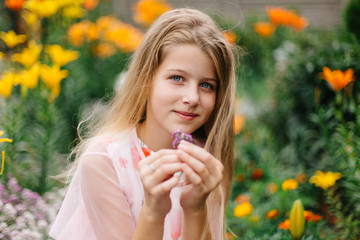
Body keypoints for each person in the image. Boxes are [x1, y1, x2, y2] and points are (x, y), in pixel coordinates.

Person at [49, 7, 237, 240]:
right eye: (177, 78)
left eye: (207, 85)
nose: (192, 98)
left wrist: (194, 208)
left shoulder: (206, 160)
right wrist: (153, 212)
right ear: (146, 78)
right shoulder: (104, 163)